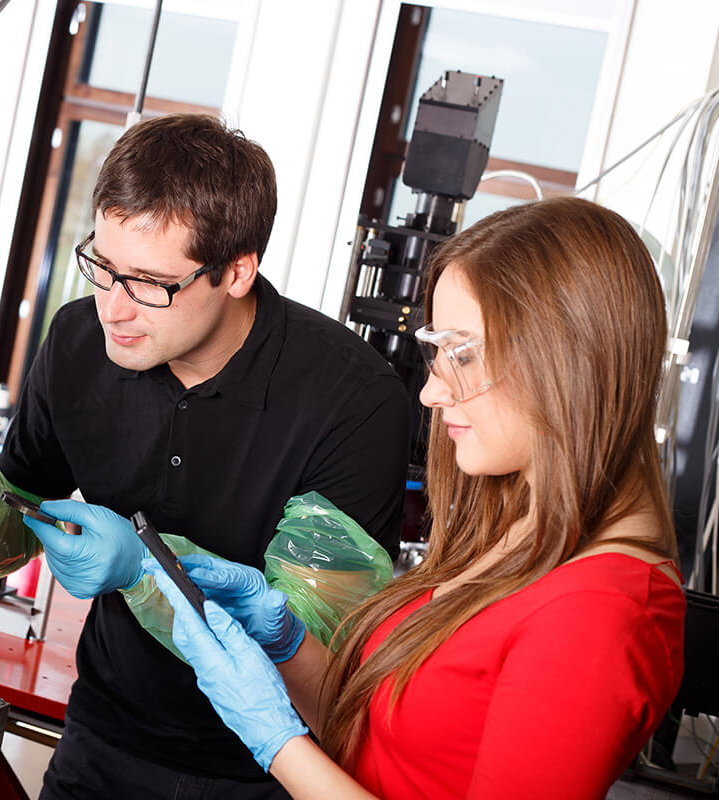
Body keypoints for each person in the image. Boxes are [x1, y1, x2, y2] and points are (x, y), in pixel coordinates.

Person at [145, 195, 687, 799]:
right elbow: (393, 748)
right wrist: (286, 645)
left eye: (460, 354)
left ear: (566, 360)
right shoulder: (519, 533)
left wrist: (278, 744)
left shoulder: (601, 613)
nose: (430, 392)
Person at [0, 113, 411, 798]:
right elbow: (8, 517)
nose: (113, 309)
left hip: (265, 770)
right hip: (101, 737)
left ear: (236, 272)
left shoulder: (354, 401)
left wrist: (140, 569)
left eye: (150, 282)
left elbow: (303, 654)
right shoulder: (79, 341)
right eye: (103, 267)